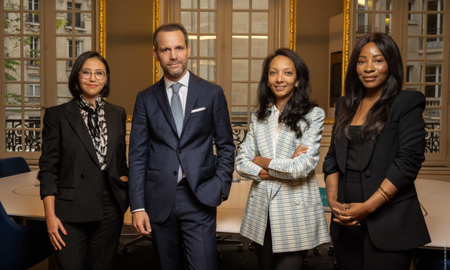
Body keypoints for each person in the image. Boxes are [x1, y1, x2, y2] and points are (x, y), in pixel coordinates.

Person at [128, 23, 235, 270]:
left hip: (200, 195)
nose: (173, 55)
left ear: (188, 49)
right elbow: (137, 155)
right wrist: (138, 206)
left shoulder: (211, 93)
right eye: (166, 49)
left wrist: (220, 187)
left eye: (178, 48)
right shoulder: (145, 98)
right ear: (156, 54)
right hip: (158, 198)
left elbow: (227, 146)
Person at [323, 32, 431, 270]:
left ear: (391, 64)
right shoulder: (344, 104)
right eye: (362, 61)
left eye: (378, 60)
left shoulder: (407, 102)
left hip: (390, 222)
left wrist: (368, 207)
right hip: (346, 220)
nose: (368, 68)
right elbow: (332, 159)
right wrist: (333, 200)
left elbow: (408, 163)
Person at [236, 48, 330, 270]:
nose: (279, 79)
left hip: (295, 212)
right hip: (261, 212)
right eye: (273, 73)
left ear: (297, 80)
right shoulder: (259, 117)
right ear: (267, 80)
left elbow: (301, 167)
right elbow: (241, 163)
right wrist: (284, 164)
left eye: (287, 73)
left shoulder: (313, 115)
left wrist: (260, 161)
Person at [38, 51, 129, 270]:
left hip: (109, 207)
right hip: (69, 209)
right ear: (76, 77)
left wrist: (123, 187)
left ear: (106, 79)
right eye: (86, 72)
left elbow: (119, 161)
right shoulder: (57, 115)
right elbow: (48, 169)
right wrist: (50, 216)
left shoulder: (117, 113)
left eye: (99, 73)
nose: (92, 78)